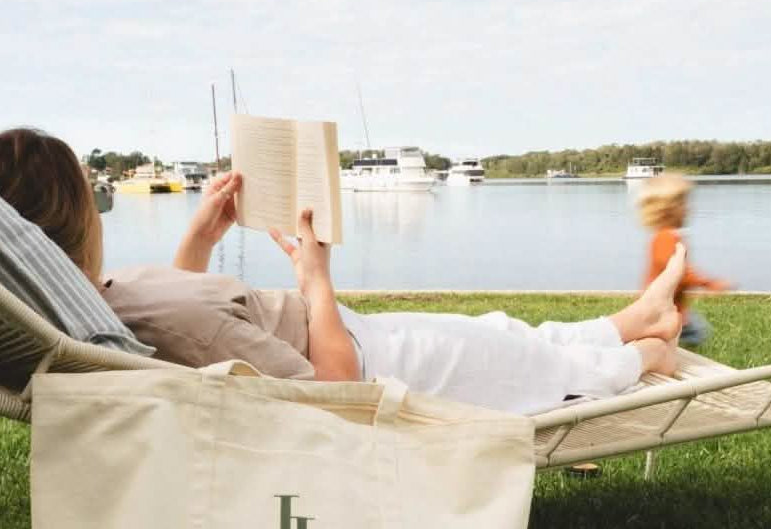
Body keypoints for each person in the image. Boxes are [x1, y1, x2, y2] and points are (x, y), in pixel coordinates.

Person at [0, 127, 687, 414]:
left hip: (357, 338)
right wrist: (316, 279)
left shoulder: (93, 309)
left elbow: (180, 320)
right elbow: (332, 396)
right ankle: (640, 359)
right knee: (520, 364)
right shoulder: (146, 316)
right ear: (80, 224)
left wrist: (199, 241)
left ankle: (631, 321)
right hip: (371, 364)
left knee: (499, 330)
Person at [636, 174, 729, 348]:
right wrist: (709, 283)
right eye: (684, 203)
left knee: (685, 336)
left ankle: (668, 354)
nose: (689, 208)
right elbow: (678, 272)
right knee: (697, 333)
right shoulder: (665, 239)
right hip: (663, 310)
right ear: (669, 210)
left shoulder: (667, 236)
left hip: (669, 308)